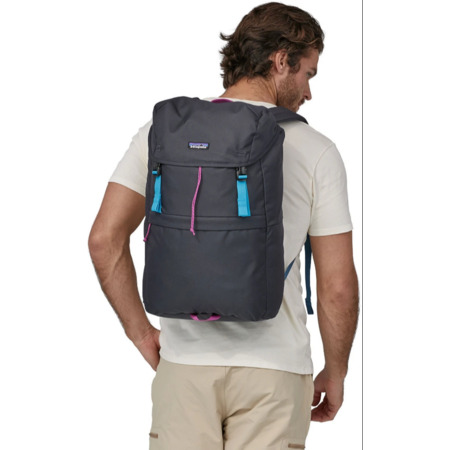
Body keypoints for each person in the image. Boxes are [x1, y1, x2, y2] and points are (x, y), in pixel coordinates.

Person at [88, 2, 359, 449]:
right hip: (275, 374)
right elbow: (337, 287)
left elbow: (104, 240)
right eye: (308, 73)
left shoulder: (161, 134)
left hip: (184, 367)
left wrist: (142, 334)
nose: (309, 92)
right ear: (281, 60)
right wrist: (337, 370)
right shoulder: (317, 150)